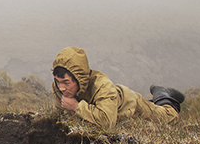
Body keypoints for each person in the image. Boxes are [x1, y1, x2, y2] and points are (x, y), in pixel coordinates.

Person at [52, 46, 185, 129]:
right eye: (58, 82)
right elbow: (62, 114)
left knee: (170, 118)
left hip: (131, 105)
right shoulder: (58, 86)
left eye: (66, 82)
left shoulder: (102, 86)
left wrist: (76, 107)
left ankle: (163, 94)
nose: (62, 88)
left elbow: (108, 123)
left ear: (79, 79)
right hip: (110, 104)